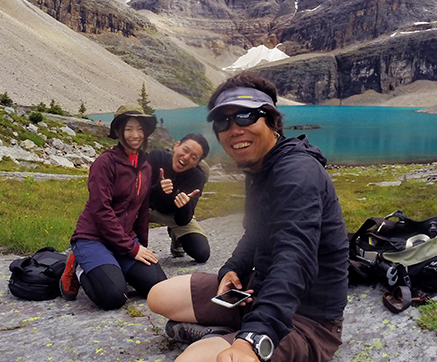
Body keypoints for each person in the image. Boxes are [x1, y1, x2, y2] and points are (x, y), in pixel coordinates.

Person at [147, 73, 349, 362]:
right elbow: (255, 232)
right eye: (222, 122)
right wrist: (234, 268)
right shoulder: (259, 168)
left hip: (304, 318)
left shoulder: (298, 175)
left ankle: (227, 337)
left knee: (192, 360)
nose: (233, 129)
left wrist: (253, 340)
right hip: (256, 292)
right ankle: (223, 332)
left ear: (271, 120)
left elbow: (296, 258)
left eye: (245, 116)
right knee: (159, 296)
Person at [59, 103, 167, 310]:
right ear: (118, 131)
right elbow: (101, 210)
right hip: (94, 238)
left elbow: (142, 211)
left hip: (124, 239)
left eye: (140, 128)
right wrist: (131, 248)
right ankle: (79, 265)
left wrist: (140, 247)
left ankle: (113, 267)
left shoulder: (145, 166)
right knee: (113, 296)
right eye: (128, 129)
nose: (135, 134)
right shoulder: (104, 163)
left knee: (158, 287)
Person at [148, 133, 212, 263]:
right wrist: (157, 189)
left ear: (197, 163)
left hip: (173, 215)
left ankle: (176, 237)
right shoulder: (156, 158)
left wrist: (184, 205)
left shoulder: (196, 177)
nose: (186, 157)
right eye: (185, 150)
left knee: (201, 253)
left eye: (194, 157)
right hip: (146, 208)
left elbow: (183, 220)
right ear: (176, 146)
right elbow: (134, 193)